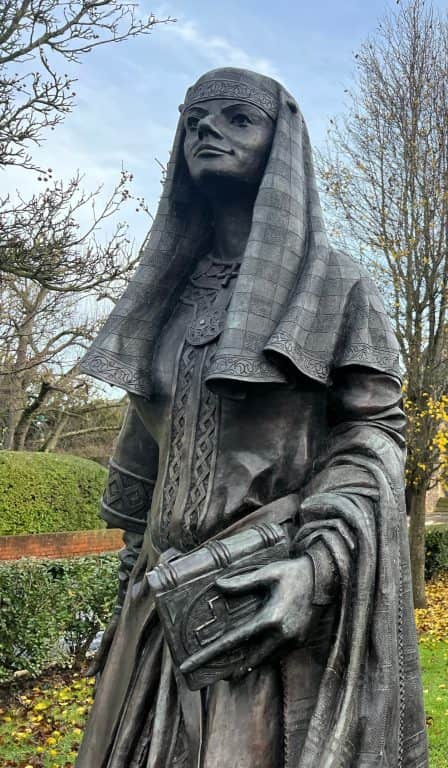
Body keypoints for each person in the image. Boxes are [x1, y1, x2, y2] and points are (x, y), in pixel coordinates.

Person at [76, 67, 428, 768]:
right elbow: (148, 454)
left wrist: (317, 568)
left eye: (239, 118)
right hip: (158, 613)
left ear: (282, 144)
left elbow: (371, 437)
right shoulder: (164, 295)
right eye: (196, 119)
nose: (209, 130)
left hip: (266, 607)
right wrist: (122, 610)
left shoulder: (337, 286)